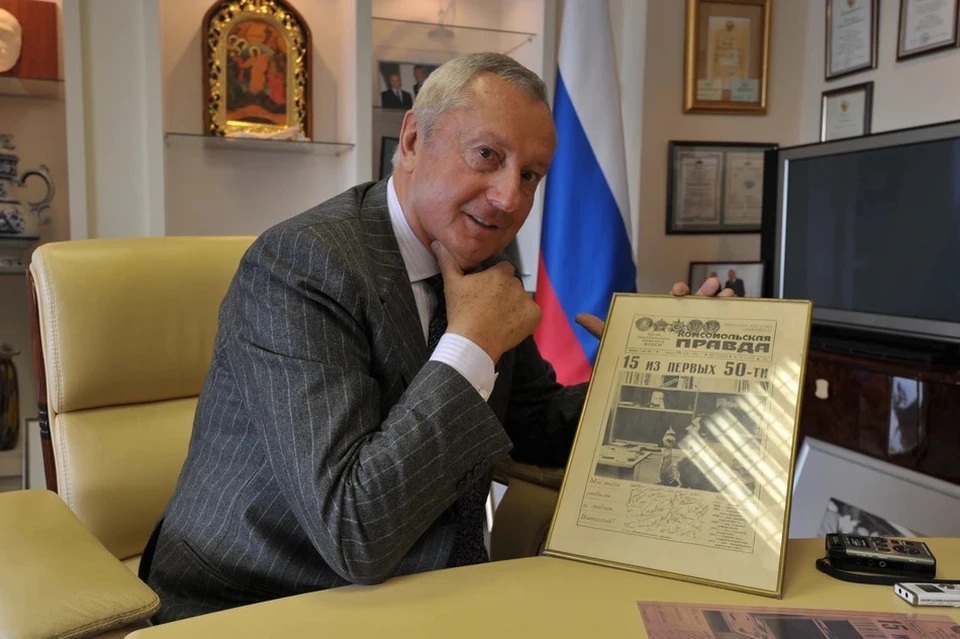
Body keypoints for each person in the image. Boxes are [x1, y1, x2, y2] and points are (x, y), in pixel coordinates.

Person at [142, 52, 733, 623]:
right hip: (265, 600)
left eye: (530, 175)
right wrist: (473, 342)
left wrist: (651, 375)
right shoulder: (301, 265)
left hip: (433, 593)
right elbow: (354, 531)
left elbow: (536, 426)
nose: (509, 198)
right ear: (411, 141)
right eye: (486, 156)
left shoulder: (482, 256)